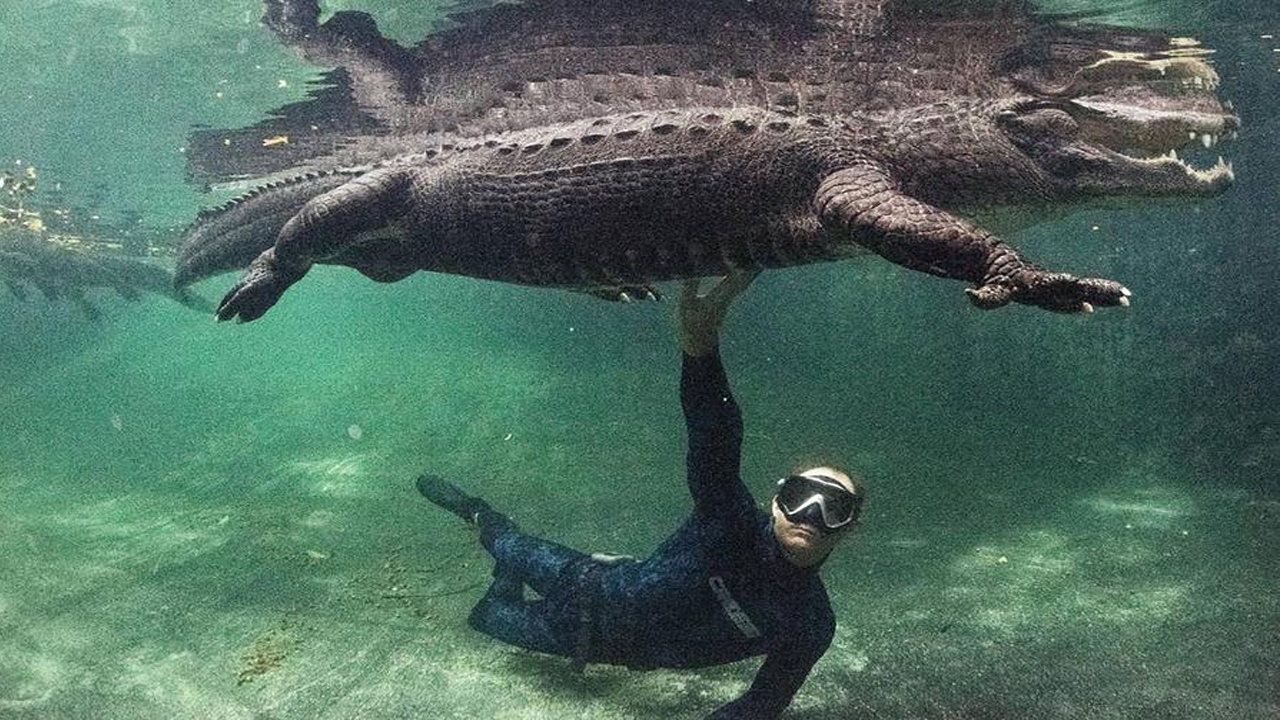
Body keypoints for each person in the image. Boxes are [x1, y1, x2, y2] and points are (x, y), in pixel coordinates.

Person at [416, 271, 864, 719]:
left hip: (584, 642)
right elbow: (715, 438)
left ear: (849, 530)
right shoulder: (729, 518)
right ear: (776, 501)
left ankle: (504, 577)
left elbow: (762, 703)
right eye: (802, 496)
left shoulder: (810, 623)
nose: (811, 513)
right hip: (582, 578)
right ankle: (480, 513)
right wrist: (701, 352)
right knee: (504, 540)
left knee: (486, 616)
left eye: (834, 508)